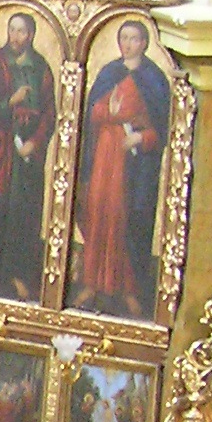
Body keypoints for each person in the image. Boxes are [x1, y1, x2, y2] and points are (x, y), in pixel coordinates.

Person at [76, 18, 171, 316]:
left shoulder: (154, 80)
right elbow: (92, 112)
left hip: (134, 165)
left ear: (144, 43)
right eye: (124, 38)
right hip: (105, 157)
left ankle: (130, 289)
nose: (128, 44)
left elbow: (166, 127)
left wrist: (141, 138)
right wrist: (108, 112)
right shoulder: (109, 73)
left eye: (134, 39)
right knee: (100, 215)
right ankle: (92, 281)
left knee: (129, 220)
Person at [0, 11, 56, 300]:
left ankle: (17, 273)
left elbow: (49, 113)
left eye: (22, 32)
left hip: (24, 153)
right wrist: (10, 102)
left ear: (31, 35)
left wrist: (37, 142)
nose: (16, 37)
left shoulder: (40, 68)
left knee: (21, 210)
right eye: (12, 30)